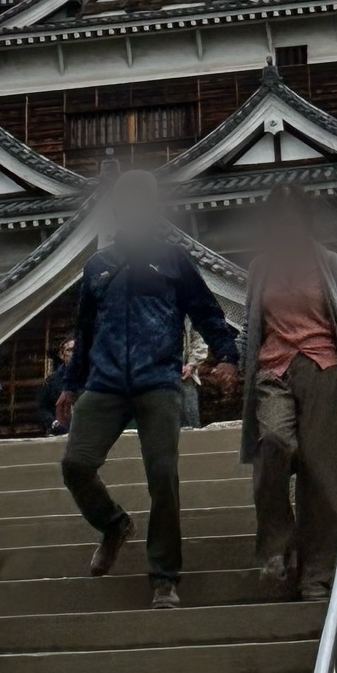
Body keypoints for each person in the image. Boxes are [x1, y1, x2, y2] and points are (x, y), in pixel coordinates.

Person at [60, 169, 241, 611]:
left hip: (158, 380)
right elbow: (84, 330)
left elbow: (206, 311)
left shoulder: (171, 258)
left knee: (162, 477)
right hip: (104, 383)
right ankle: (114, 524)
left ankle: (164, 576)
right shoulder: (98, 265)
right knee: (75, 464)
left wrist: (228, 356)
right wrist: (70, 385)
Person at [241, 191, 337, 599]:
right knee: (273, 442)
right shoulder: (259, 267)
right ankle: (276, 546)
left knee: (324, 475)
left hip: (324, 367)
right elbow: (249, 325)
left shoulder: (329, 262)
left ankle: (318, 577)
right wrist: (232, 364)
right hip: (273, 369)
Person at [34, 337, 76, 436]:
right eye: (70, 350)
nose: (74, 354)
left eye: (77, 350)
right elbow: (41, 407)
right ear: (62, 355)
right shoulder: (52, 380)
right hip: (61, 432)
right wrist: (54, 423)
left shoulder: (91, 377)